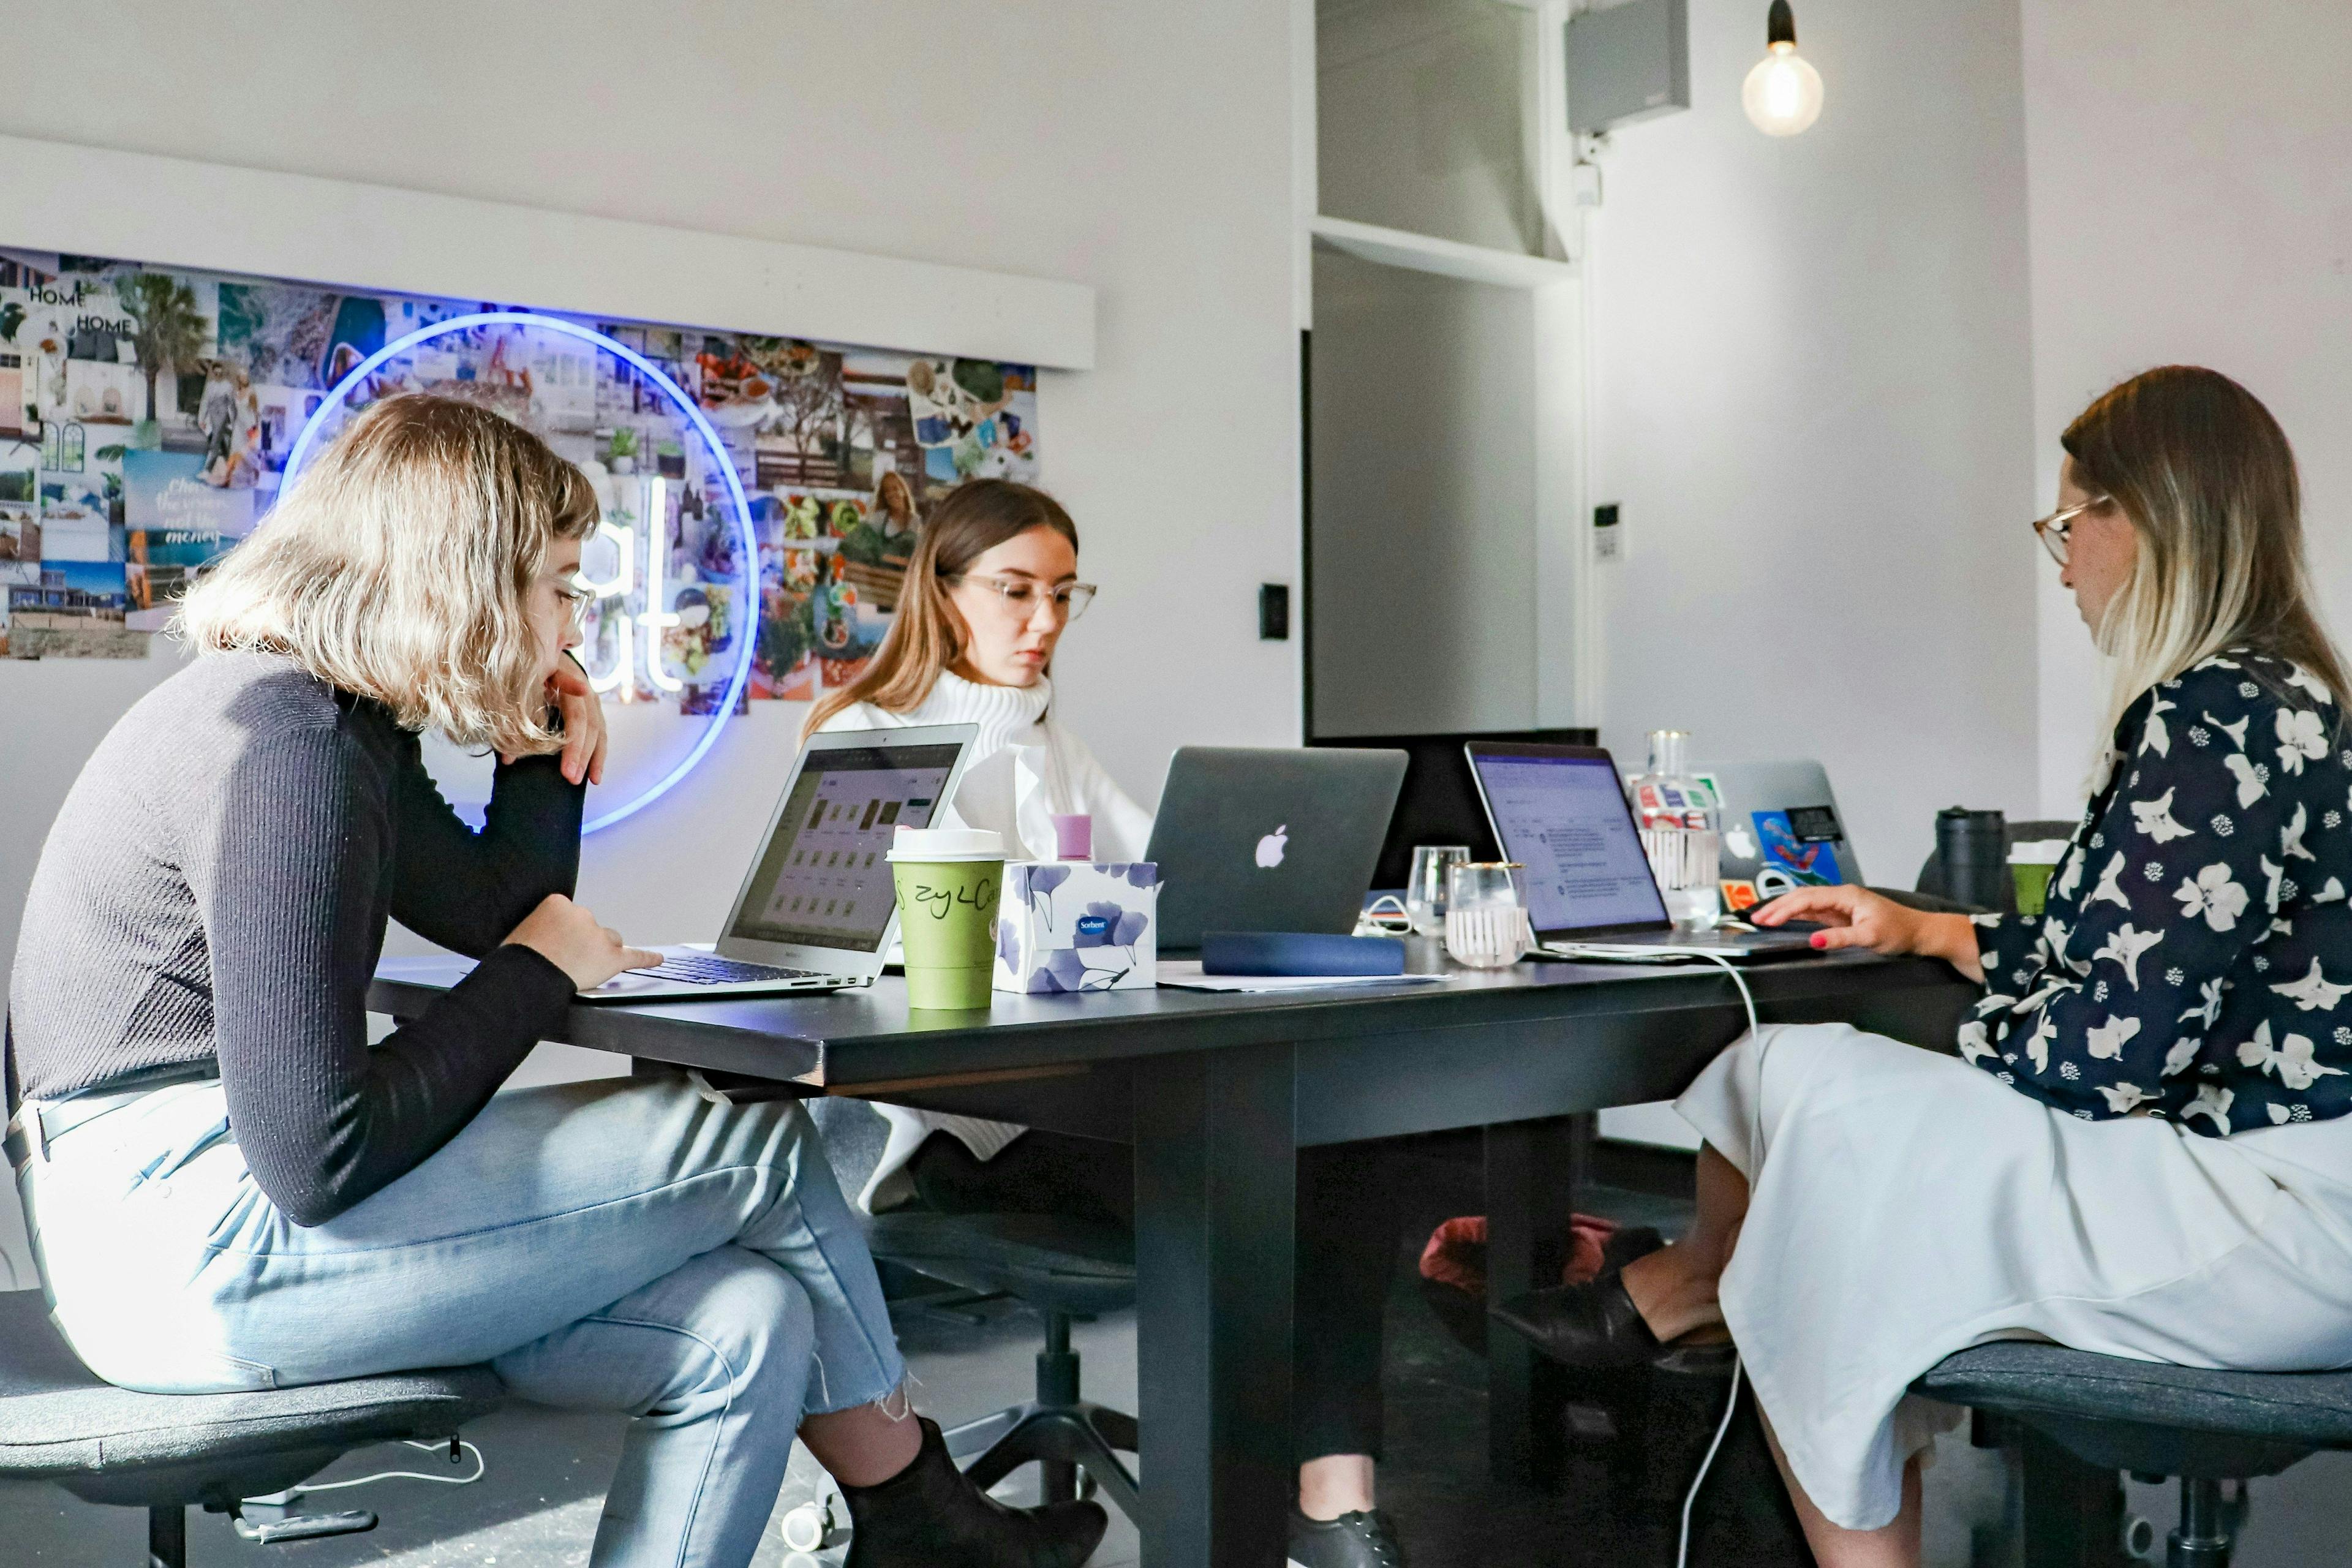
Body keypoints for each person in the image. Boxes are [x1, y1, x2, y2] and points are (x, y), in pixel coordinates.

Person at [2, 394, 1105, 1568]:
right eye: (565, 587)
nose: (577, 619)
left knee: (750, 1318)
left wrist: (539, 761)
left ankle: (913, 1529)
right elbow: (318, 1152)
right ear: (472, 583)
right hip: (184, 1248)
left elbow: (489, 909)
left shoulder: (331, 719)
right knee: (765, 1146)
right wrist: (541, 972)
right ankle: (928, 1522)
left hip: (185, 1223)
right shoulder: (293, 753)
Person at [1491, 366, 2352, 1566]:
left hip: (2269, 1222)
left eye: (2067, 523)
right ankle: (1700, 1286)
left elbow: (2104, 1054)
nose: (2058, 560)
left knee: (1823, 1109)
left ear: (2146, 521)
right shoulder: (2285, 697)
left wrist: (1946, 1041)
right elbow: (2140, 956)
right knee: (1805, 1093)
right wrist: (1930, 932)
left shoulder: (2203, 718)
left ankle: (1702, 1289)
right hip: (2293, 1181)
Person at [802, 478, 1422, 1568]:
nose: (1043, 623)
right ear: (943, 593)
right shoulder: (867, 735)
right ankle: (1289, 1504)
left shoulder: (1052, 742)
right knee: (1287, 1175)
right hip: (964, 1133)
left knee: (1338, 1151)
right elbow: (912, 955)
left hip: (1094, 1105)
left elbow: (1169, 883)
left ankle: (1337, 1503)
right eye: (1015, 592)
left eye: (1063, 596)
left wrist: (1319, 903)